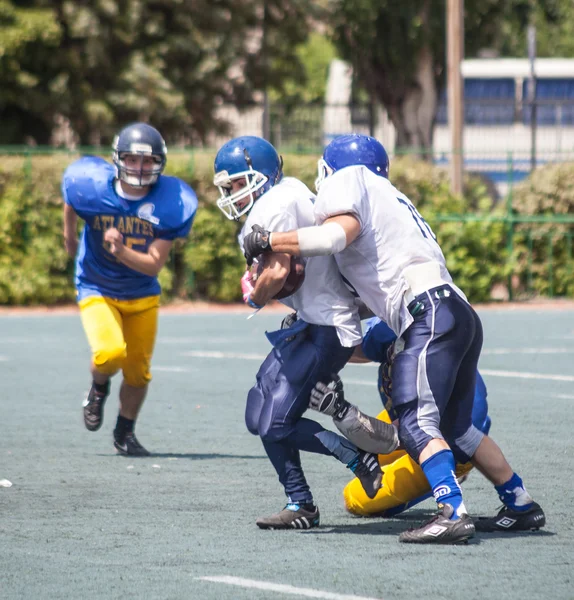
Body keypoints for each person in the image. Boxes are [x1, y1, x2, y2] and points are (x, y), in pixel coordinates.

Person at [242, 133, 545, 543]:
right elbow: (374, 295)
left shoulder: (349, 181)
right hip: (456, 310)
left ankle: (452, 512)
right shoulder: (392, 201)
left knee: (419, 421)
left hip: (426, 312)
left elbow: (333, 237)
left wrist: (270, 241)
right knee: (457, 430)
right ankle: (521, 503)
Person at [213, 135, 383, 530]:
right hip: (310, 321)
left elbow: (279, 272)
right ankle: (300, 504)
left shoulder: (273, 204)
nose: (233, 194)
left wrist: (255, 295)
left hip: (328, 326)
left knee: (275, 423)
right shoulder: (289, 192)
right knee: (259, 412)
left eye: (237, 184)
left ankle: (355, 459)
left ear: (259, 176)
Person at [62, 123, 197, 456]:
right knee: (109, 353)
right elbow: (71, 201)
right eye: (132, 159)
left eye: (148, 161)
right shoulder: (90, 187)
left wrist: (121, 250)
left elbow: (153, 264)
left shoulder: (171, 201)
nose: (140, 168)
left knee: (138, 372)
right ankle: (98, 387)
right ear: (117, 159)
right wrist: (68, 237)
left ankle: (125, 432)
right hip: (96, 286)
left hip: (142, 292)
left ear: (160, 163)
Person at [309, 317, 492, 519]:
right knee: (364, 448)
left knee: (354, 498)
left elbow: (407, 434)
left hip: (443, 439)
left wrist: (343, 413)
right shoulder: (411, 330)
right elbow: (363, 349)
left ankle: (445, 484)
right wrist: (315, 340)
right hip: (430, 425)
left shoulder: (423, 369)